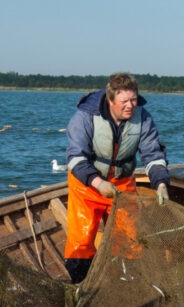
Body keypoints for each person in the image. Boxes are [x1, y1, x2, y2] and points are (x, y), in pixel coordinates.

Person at [63, 72, 170, 283]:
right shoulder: (84, 117)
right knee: (81, 241)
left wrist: (161, 183)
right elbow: (75, 158)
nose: (130, 105)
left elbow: (153, 155)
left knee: (129, 241)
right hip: (87, 187)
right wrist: (98, 182)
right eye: (124, 101)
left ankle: (123, 285)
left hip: (122, 185)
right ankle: (81, 285)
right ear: (110, 100)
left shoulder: (143, 118)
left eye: (133, 100)